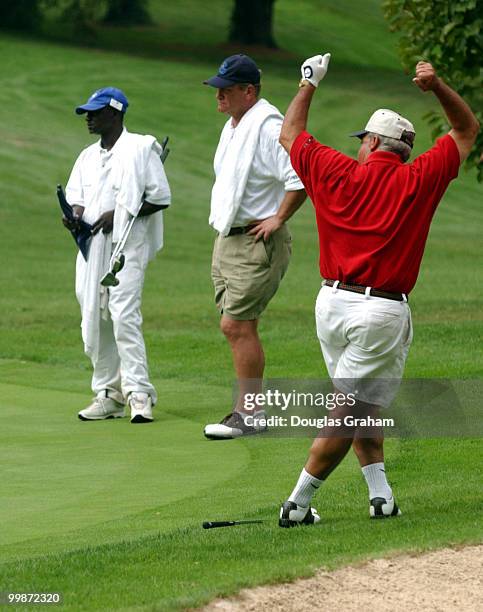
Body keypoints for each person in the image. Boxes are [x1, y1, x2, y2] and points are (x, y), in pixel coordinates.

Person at [277, 55, 479, 526]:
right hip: (380, 314)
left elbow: (289, 133)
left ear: (371, 142)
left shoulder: (334, 169)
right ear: (403, 148)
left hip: (330, 307)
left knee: (360, 404)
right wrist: (437, 86)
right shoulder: (419, 177)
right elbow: (467, 130)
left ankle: (381, 497)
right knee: (349, 411)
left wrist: (309, 83)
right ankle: (297, 504)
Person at [202, 54, 307, 440]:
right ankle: (251, 408)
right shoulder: (234, 126)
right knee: (238, 326)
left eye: (226, 90)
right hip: (230, 238)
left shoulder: (268, 128)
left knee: (236, 324)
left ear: (249, 91)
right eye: (218, 90)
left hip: (256, 240)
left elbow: (299, 178)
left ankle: (250, 413)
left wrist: (278, 218)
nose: (219, 97)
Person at [63, 87, 171, 423]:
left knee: (124, 315)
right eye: (87, 113)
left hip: (127, 246)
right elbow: (77, 198)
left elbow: (160, 197)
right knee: (94, 320)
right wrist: (74, 216)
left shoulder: (140, 149)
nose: (89, 119)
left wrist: (120, 213)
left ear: (116, 113)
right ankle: (108, 394)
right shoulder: (86, 157)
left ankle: (139, 393)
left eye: (95, 113)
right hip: (91, 250)